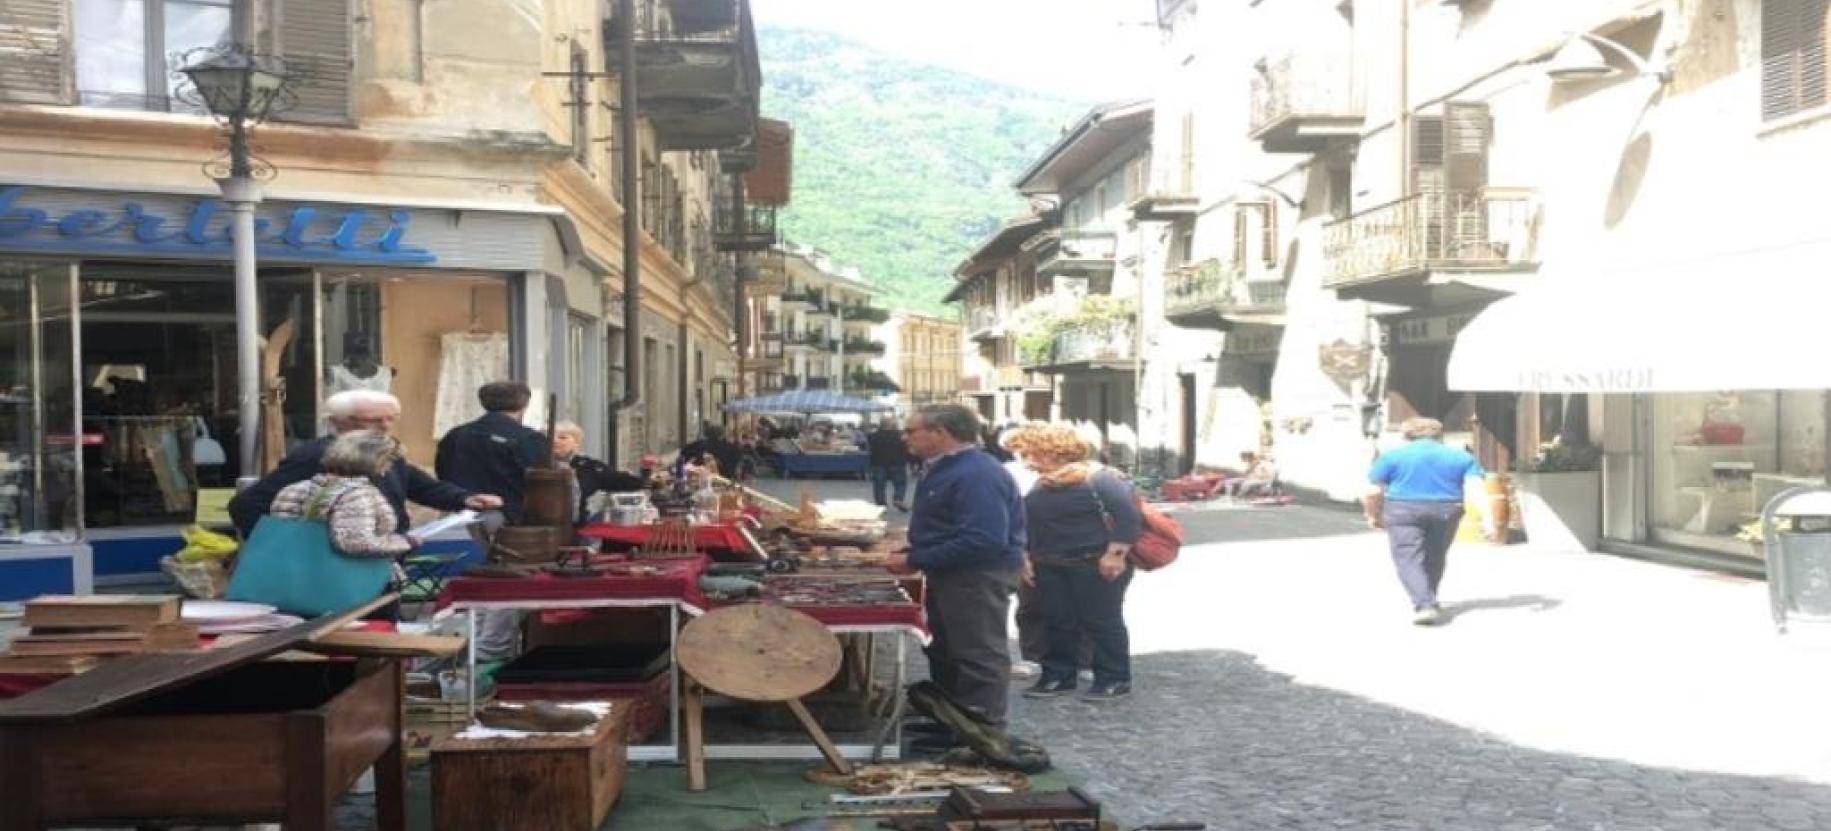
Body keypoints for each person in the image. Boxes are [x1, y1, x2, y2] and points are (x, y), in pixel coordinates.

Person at [885, 404, 1024, 748]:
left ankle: (984, 732)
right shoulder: (949, 468)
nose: (905, 437)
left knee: (978, 656)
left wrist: (916, 559)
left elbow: (984, 539)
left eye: (911, 430)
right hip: (952, 574)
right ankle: (953, 722)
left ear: (940, 433)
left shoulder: (976, 473)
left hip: (976, 576)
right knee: (946, 652)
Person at [229, 390, 501, 537]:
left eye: (390, 419)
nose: (385, 427)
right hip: (338, 567)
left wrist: (465, 498)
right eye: (373, 421)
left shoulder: (385, 452)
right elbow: (247, 505)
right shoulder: (317, 455)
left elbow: (420, 485)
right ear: (340, 421)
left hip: (379, 560)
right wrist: (294, 546)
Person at [1011, 423, 1142, 701]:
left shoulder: (1100, 477)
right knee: (1057, 621)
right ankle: (1058, 676)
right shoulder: (1043, 482)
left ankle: (1114, 678)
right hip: (1049, 562)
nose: (1024, 460)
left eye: (1028, 452)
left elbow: (1128, 517)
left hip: (1094, 561)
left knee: (1101, 621)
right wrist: (1025, 556)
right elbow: (1030, 522)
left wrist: (1115, 554)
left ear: (1050, 450)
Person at [1363, 417, 1484, 626]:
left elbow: (1372, 491)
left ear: (1405, 436)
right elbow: (1476, 488)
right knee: (1435, 554)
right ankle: (1429, 598)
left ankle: (1425, 604)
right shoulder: (1461, 457)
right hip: (1447, 509)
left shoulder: (1391, 457)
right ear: (1440, 435)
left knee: (1408, 557)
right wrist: (1489, 519)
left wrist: (1373, 514)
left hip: (1403, 510)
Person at [268, 430, 416, 558]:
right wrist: (403, 542)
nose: (388, 469)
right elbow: (357, 543)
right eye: (388, 462)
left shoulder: (293, 489)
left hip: (296, 574)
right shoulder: (359, 495)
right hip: (348, 581)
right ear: (375, 462)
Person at [434, 381, 548, 525]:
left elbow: (442, 473)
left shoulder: (455, 435)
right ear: (523, 405)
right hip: (509, 521)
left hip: (455, 515)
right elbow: (543, 484)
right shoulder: (528, 438)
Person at [866, 418, 912, 512]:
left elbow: (869, 447)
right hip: (897, 462)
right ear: (891, 425)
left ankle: (881, 504)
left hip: (878, 463)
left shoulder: (873, 436)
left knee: (879, 485)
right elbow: (907, 447)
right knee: (900, 483)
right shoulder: (900, 435)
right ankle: (898, 499)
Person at [679, 424, 744, 480]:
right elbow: (738, 456)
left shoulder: (699, 444)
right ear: (722, 435)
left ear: (706, 434)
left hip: (700, 476)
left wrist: (692, 463)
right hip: (724, 478)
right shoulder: (729, 446)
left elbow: (683, 453)